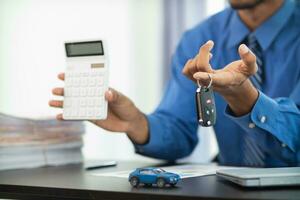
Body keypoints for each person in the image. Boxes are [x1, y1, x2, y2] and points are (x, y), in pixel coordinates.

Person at [50, 0, 300, 167]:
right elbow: (179, 133)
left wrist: (245, 99)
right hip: (228, 189)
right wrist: (136, 123)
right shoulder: (200, 38)